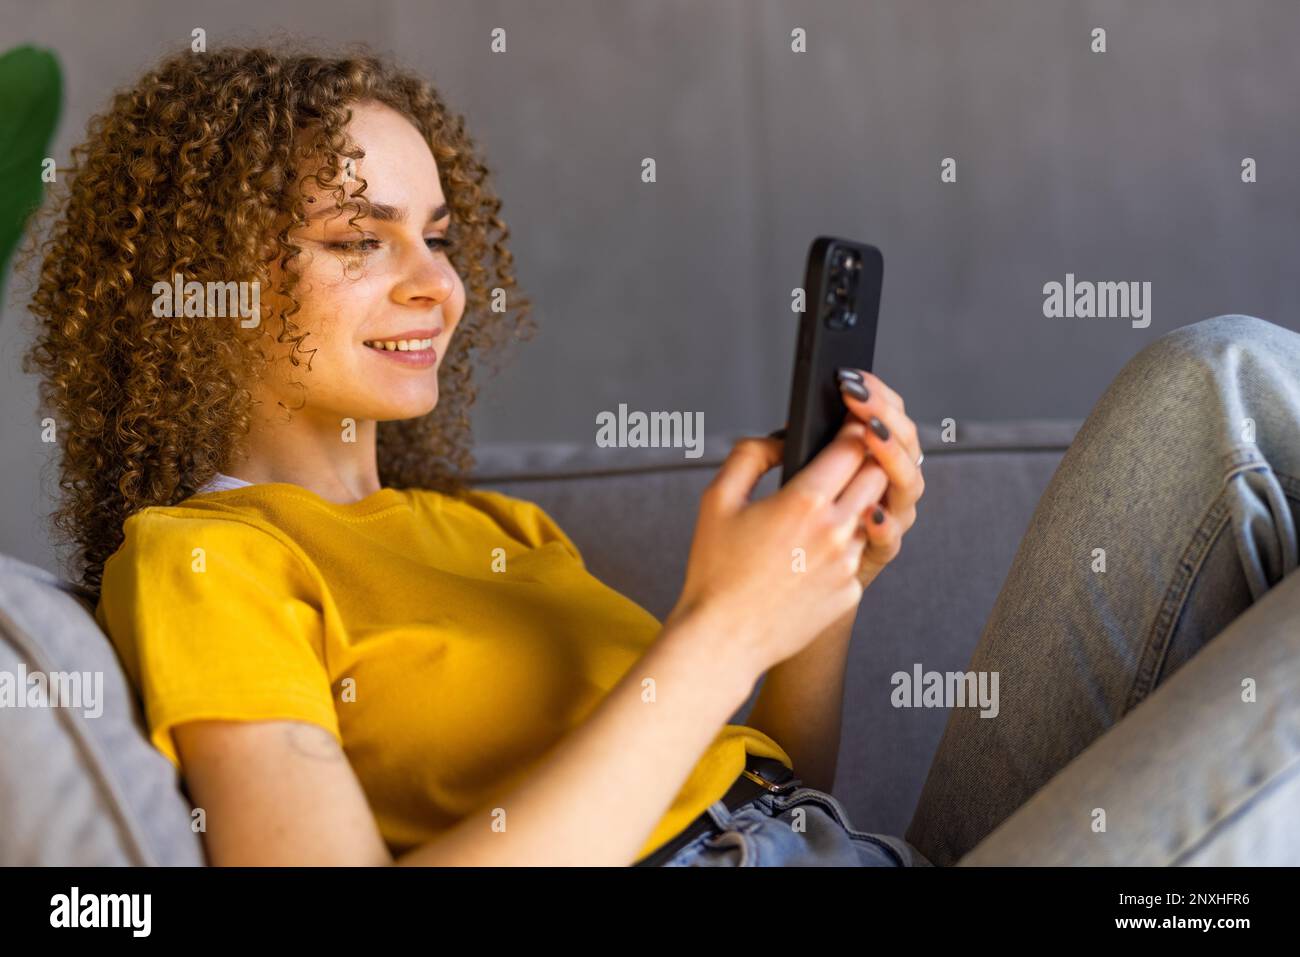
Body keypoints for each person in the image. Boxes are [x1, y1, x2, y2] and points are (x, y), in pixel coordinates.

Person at [22, 43, 1299, 868]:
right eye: (360, 240)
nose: (436, 284)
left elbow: (773, 789)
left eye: (441, 233)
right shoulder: (204, 560)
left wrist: (812, 590)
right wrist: (718, 632)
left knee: (1217, 384)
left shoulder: (494, 534)